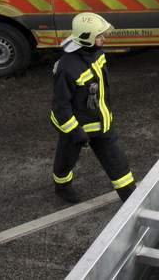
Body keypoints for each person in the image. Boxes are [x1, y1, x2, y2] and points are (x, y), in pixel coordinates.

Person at [51, 13, 136, 204]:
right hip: (76, 127)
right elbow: (60, 107)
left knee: (119, 165)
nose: (104, 39)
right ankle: (62, 186)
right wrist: (75, 132)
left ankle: (132, 202)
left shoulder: (96, 53)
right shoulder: (67, 68)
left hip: (102, 124)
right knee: (65, 161)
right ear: (86, 38)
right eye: (99, 36)